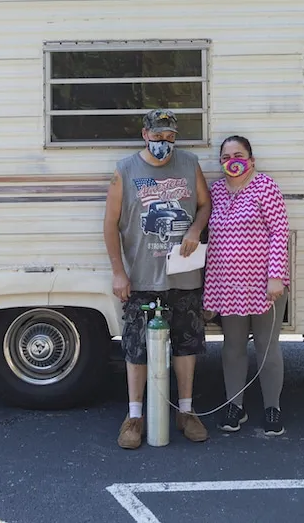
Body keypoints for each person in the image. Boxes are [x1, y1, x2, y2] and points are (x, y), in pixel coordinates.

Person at [103, 108, 212, 449]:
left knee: (186, 345)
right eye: (158, 135)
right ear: (144, 133)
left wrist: (195, 228)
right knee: (136, 348)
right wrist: (119, 271)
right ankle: (134, 416)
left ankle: (186, 410)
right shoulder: (125, 170)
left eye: (170, 136)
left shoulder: (189, 163)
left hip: (185, 274)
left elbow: (205, 205)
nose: (164, 142)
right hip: (142, 276)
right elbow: (110, 223)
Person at [204, 135, 290, 436]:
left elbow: (279, 232)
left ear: (251, 160)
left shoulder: (265, 187)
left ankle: (272, 408)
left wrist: (276, 276)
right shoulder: (216, 191)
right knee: (233, 348)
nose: (232, 161)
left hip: (265, 285)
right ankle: (234, 406)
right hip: (228, 285)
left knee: (267, 347)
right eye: (225, 157)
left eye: (238, 155)